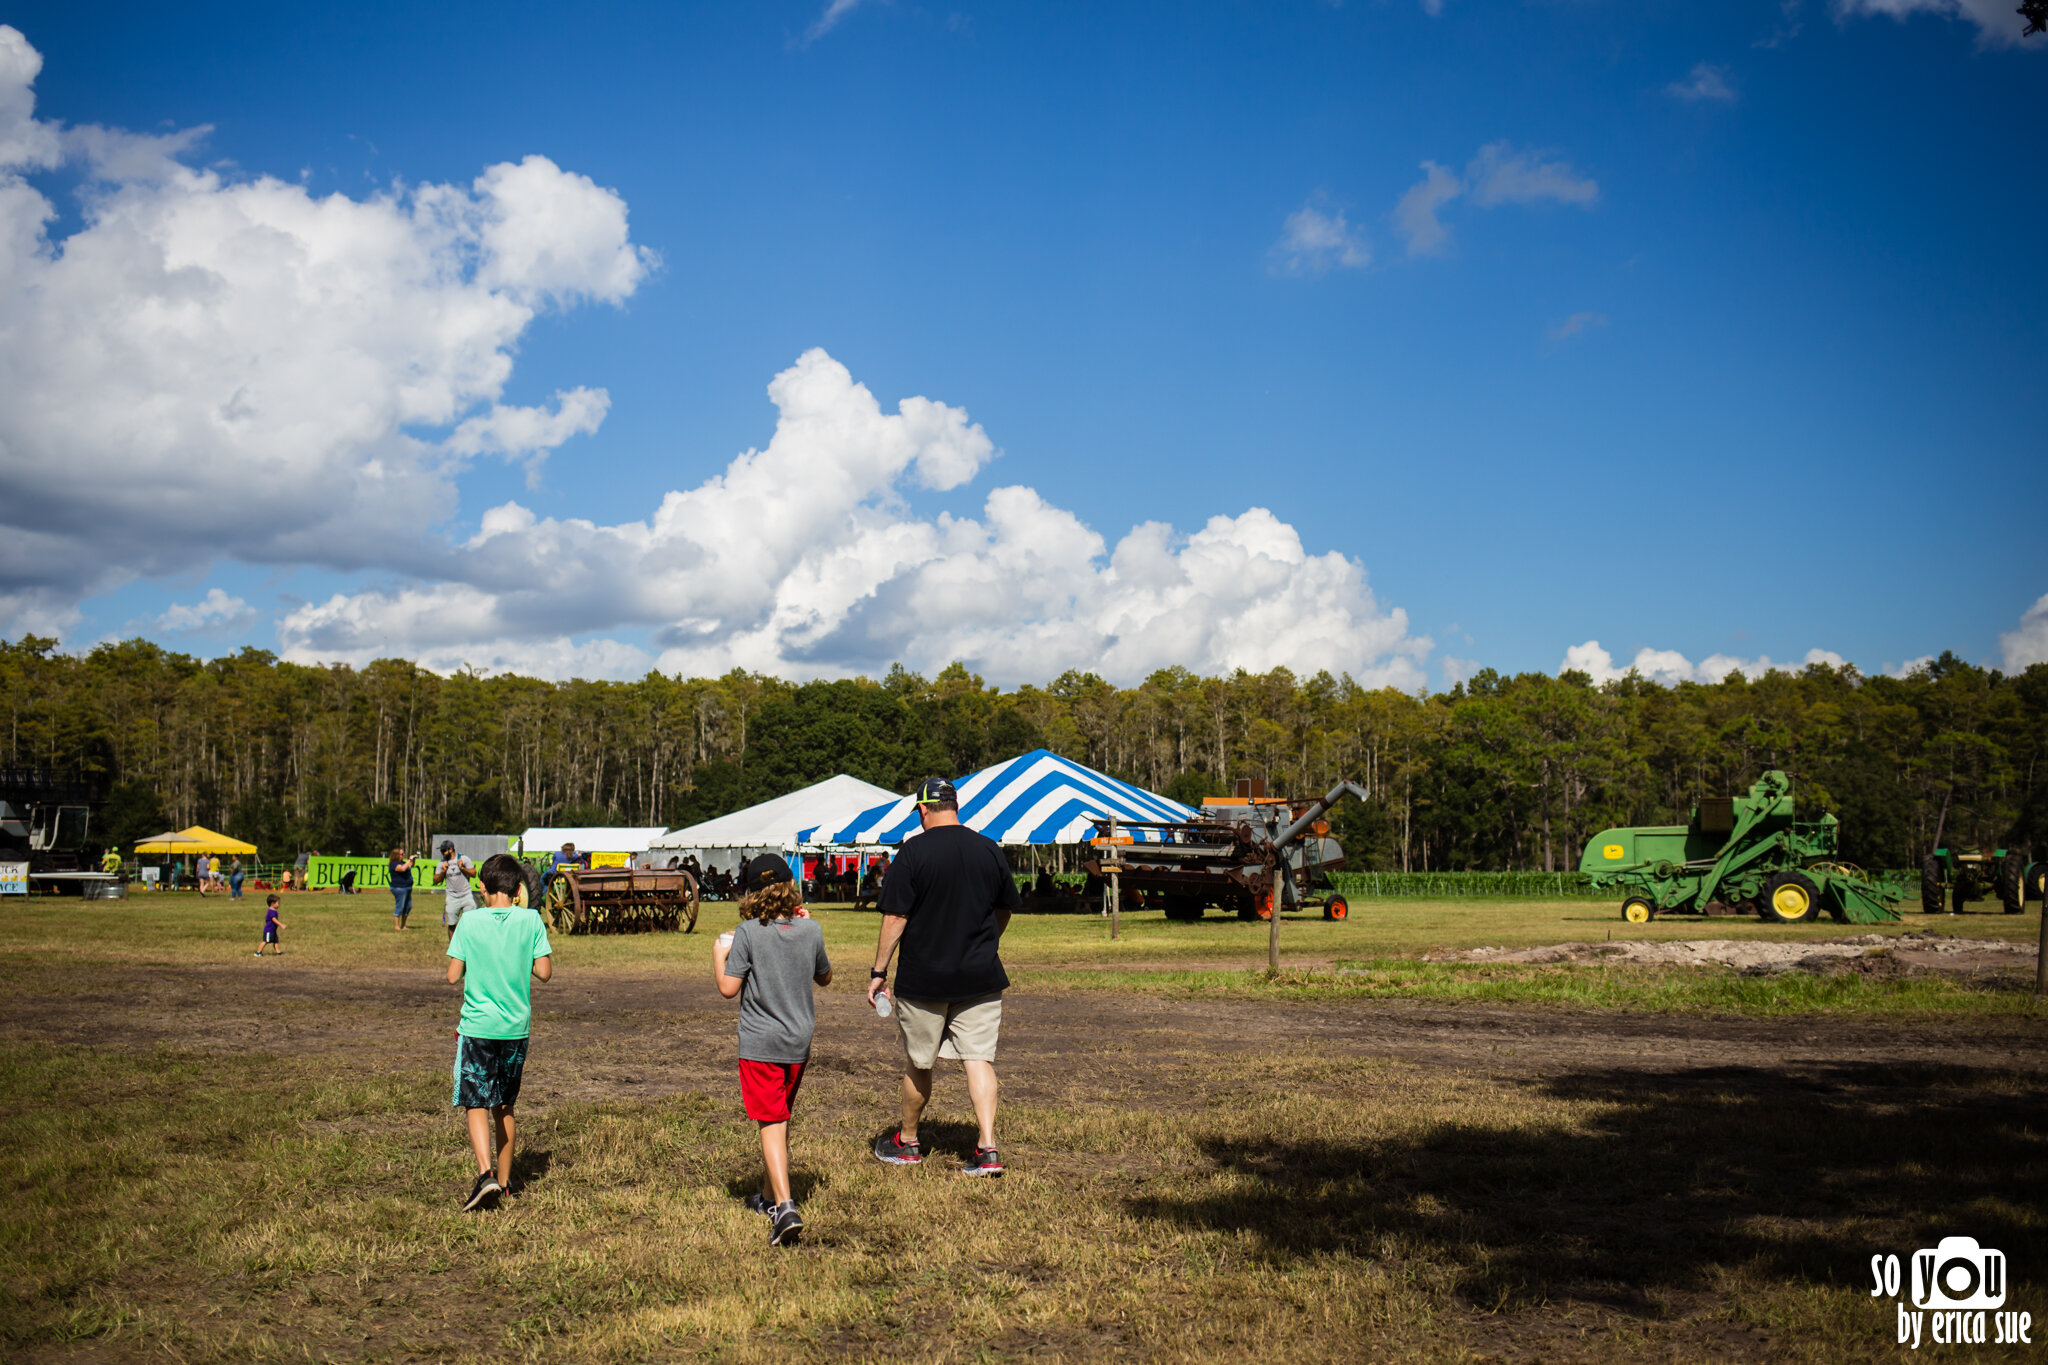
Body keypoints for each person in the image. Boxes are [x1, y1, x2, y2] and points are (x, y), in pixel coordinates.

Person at [866, 779, 1019, 1177]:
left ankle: (908, 1142)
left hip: (924, 980)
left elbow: (896, 916)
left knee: (920, 1062)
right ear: (956, 805)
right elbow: (1005, 909)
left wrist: (879, 971)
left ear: (922, 810)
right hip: (980, 976)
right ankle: (987, 1148)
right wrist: (987, 943)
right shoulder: (988, 848)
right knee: (978, 1059)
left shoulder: (913, 851)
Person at [712, 854, 832, 1246]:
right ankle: (766, 1197)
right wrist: (806, 925)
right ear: (789, 887)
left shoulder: (747, 933)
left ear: (750, 891)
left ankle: (784, 1207)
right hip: (799, 1042)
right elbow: (825, 977)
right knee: (779, 1118)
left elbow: (729, 989)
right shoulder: (810, 929)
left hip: (761, 1042)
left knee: (770, 1121)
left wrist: (719, 955)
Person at [446, 853, 553, 1212]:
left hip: (477, 1027)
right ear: (517, 887)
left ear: (482, 886)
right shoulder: (532, 920)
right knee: (505, 1105)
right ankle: (506, 1185)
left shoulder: (470, 921)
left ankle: (485, 1174)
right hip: (515, 1028)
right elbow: (544, 972)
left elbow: (451, 975)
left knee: (475, 1101)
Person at [436, 840, 478, 942]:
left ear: (451, 849)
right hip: (451, 897)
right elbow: (436, 880)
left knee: (470, 922)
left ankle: (468, 944)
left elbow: (474, 873)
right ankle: (453, 948)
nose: (442, 853)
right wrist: (443, 871)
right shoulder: (442, 863)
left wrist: (462, 868)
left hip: (466, 895)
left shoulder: (463, 859)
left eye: (444, 851)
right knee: (452, 924)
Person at [389, 847, 417, 931]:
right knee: (400, 906)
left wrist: (413, 860)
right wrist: (409, 859)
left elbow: (411, 865)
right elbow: (402, 869)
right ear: (396, 855)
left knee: (407, 907)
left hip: (407, 887)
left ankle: (403, 925)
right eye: (401, 854)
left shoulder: (403, 862)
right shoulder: (394, 864)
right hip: (399, 888)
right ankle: (396, 926)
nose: (403, 855)